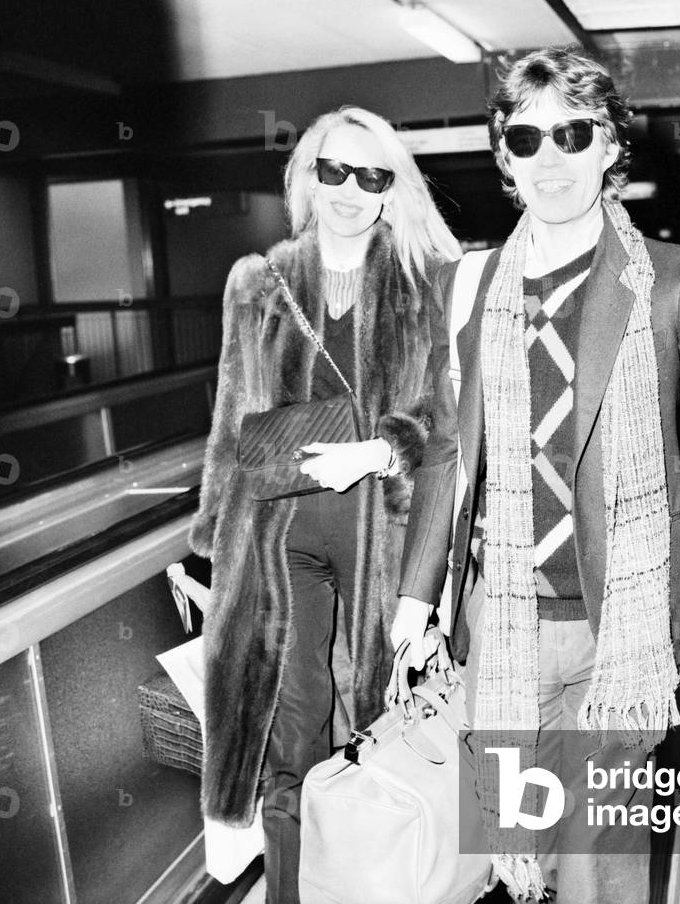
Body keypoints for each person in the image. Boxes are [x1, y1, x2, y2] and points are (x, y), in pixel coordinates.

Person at [392, 47, 680, 902]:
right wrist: (414, 596)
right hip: (496, 628)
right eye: (526, 137)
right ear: (503, 154)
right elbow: (443, 448)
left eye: (572, 134)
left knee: (600, 874)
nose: (550, 159)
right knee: (517, 867)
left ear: (610, 146)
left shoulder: (671, 284)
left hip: (625, 632)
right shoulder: (468, 287)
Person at [189, 105, 460, 903]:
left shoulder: (425, 283)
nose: (348, 189)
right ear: (306, 177)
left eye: (370, 175)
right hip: (278, 532)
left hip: (386, 522)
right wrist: (212, 541)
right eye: (332, 170)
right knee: (290, 726)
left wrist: (379, 449)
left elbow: (444, 419)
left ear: (390, 191)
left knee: (383, 723)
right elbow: (232, 411)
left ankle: (376, 880)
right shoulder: (259, 283)